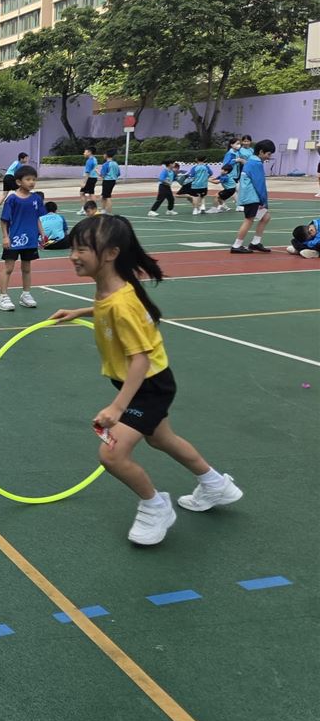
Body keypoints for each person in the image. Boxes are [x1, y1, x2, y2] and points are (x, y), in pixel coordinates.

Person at [49, 215, 243, 546]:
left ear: (111, 253)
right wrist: (79, 312)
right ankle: (215, 484)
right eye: (73, 248)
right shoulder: (110, 287)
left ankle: (155, 506)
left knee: (111, 455)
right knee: (162, 439)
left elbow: (140, 358)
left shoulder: (122, 301)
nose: (73, 256)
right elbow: (109, 309)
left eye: (82, 249)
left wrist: (117, 407)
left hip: (147, 386)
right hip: (147, 382)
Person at [0, 165, 44, 311]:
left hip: (30, 239)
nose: (32, 182)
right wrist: (5, 237)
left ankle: (26, 294)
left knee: (27, 268)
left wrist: (42, 234)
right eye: (28, 179)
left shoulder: (36, 198)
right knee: (9, 268)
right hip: (14, 239)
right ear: (18, 182)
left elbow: (37, 218)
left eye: (34, 179)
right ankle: (3, 297)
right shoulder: (12, 199)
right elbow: (4, 220)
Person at [231, 140, 275, 254]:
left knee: (266, 217)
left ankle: (255, 243)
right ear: (261, 152)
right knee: (249, 220)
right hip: (252, 196)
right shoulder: (256, 164)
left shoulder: (251, 160)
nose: (269, 157)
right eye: (268, 154)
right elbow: (259, 184)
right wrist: (263, 201)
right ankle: (236, 245)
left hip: (249, 195)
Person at [99, 150, 121, 214]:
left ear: (106, 155)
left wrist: (97, 171)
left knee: (107, 197)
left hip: (107, 181)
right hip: (113, 181)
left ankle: (109, 212)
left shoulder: (106, 164)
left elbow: (102, 175)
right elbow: (118, 174)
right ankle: (103, 210)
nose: (103, 155)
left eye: (104, 154)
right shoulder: (115, 164)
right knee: (103, 196)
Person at [78, 147, 99, 214]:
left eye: (85, 152)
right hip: (93, 178)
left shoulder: (89, 161)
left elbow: (87, 172)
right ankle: (89, 209)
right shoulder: (94, 159)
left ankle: (86, 209)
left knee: (83, 193)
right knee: (90, 193)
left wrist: (84, 182)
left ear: (89, 152)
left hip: (90, 178)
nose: (84, 153)